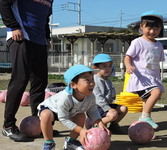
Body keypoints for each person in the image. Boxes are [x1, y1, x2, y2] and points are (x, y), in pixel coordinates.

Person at [0, 0, 53, 142]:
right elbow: (4, 4)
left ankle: (38, 123)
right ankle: (8, 126)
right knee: (20, 80)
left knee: (40, 82)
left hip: (40, 41)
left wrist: (47, 37)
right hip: (21, 37)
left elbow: (45, 18)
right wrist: (13, 26)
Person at [38, 64, 110, 150]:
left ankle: (71, 142)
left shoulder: (90, 96)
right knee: (45, 115)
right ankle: (49, 143)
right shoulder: (65, 98)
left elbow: (93, 111)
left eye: (92, 79)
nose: (92, 83)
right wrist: (81, 130)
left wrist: (100, 122)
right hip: (52, 109)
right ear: (73, 85)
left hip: (71, 111)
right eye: (87, 80)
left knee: (81, 116)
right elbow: (63, 118)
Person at [124, 11, 164, 129]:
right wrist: (128, 66)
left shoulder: (159, 45)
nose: (152, 31)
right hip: (141, 78)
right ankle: (145, 117)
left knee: (147, 101)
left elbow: (157, 63)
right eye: (149, 28)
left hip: (153, 78)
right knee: (156, 92)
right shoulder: (138, 42)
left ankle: (144, 125)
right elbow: (128, 57)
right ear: (142, 27)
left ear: (160, 29)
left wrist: (159, 78)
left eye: (156, 28)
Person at [88, 53, 128, 134]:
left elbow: (111, 93)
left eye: (110, 66)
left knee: (124, 109)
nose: (108, 69)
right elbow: (98, 98)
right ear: (96, 68)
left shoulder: (107, 79)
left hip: (106, 105)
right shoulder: (95, 80)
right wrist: (109, 109)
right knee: (113, 114)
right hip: (96, 107)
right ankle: (95, 125)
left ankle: (113, 125)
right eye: (104, 66)